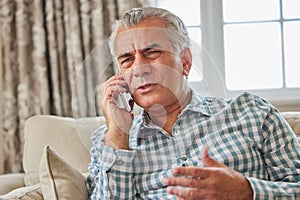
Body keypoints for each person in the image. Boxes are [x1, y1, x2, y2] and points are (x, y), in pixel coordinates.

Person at [87, 7, 300, 199]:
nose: (139, 68)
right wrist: (118, 135)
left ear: (185, 62)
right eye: (127, 60)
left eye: (152, 53)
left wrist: (246, 191)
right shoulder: (108, 143)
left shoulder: (252, 112)